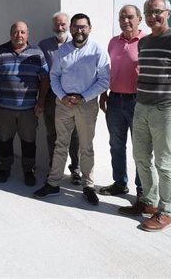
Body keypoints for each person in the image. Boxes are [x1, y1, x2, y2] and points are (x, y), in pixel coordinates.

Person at [119, 0, 171, 232]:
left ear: (168, 13)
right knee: (141, 157)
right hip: (141, 106)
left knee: (163, 162)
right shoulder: (144, 43)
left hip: (166, 109)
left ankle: (166, 211)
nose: (153, 16)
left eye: (157, 12)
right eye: (149, 12)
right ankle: (149, 202)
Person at [34, 13, 110, 206]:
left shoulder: (98, 51)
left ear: (90, 28)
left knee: (86, 146)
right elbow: (54, 76)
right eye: (75, 27)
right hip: (64, 104)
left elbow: (104, 79)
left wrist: (83, 97)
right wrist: (62, 96)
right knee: (61, 144)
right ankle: (53, 183)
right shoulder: (63, 51)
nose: (79, 30)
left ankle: (88, 186)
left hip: (87, 104)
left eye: (83, 27)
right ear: (71, 28)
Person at [0, 21, 48, 186]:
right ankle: (5, 168)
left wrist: (42, 101)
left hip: (29, 109)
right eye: (16, 32)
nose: (19, 35)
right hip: (5, 108)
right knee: (5, 140)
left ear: (27, 35)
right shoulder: (0, 51)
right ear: (11, 34)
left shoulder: (37, 53)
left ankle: (29, 171)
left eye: (23, 32)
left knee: (29, 142)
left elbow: (45, 78)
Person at [98, 5, 144, 197]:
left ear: (139, 19)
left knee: (141, 148)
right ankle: (119, 183)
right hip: (115, 100)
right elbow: (109, 70)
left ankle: (143, 190)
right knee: (116, 145)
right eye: (122, 17)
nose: (125, 20)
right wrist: (103, 93)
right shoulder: (113, 42)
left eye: (130, 17)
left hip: (138, 102)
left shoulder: (146, 41)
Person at [38, 12, 81, 184]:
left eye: (63, 24)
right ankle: (53, 167)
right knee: (52, 134)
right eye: (57, 24)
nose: (60, 27)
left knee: (75, 135)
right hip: (51, 98)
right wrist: (40, 100)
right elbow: (43, 75)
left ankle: (75, 168)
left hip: (73, 98)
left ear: (69, 25)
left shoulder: (76, 43)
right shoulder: (44, 45)